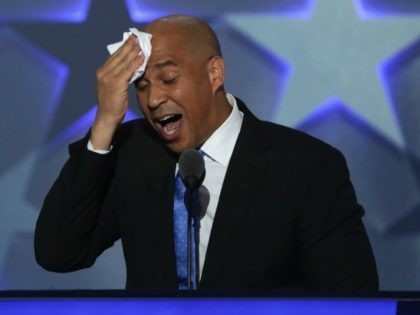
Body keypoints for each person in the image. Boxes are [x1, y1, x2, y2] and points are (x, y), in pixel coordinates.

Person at [35, 14, 379, 290]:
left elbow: (352, 297)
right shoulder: (130, 153)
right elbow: (58, 253)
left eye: (168, 78)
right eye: (141, 86)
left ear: (214, 73)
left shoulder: (306, 167)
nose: (153, 100)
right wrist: (106, 121)